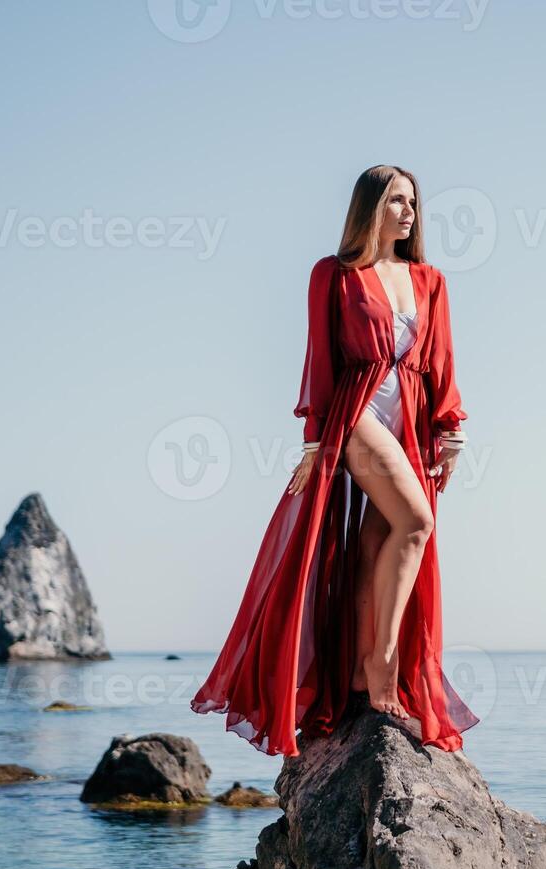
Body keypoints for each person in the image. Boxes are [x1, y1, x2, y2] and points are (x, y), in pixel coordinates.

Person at [190, 164, 479, 757]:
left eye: (414, 204)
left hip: (414, 424)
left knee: (377, 544)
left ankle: (356, 675)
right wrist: (316, 440)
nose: (410, 213)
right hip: (358, 416)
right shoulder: (334, 275)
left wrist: (451, 428)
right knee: (416, 522)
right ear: (369, 207)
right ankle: (382, 666)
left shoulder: (430, 280)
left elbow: (443, 360)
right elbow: (320, 361)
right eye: (398, 201)